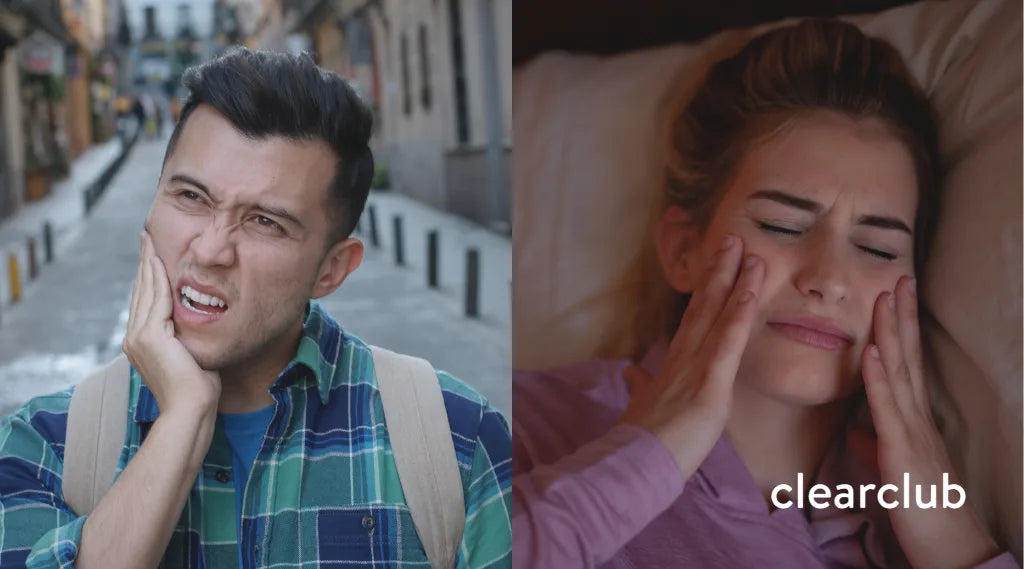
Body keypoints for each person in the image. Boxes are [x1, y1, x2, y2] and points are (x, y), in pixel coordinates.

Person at [512, 19, 1018, 569]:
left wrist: (955, 540)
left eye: (876, 247)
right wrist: (651, 453)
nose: (828, 277)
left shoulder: (906, 525)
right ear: (684, 250)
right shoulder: (522, 422)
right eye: (781, 225)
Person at [0, 48, 511, 568]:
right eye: (191, 197)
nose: (209, 251)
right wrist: (182, 418)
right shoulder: (44, 447)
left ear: (331, 269)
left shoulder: (458, 443)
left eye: (265, 221)